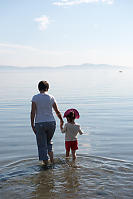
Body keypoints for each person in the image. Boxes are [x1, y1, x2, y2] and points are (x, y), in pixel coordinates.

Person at [30, 80, 64, 166]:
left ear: (38, 88)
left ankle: (46, 166)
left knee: (42, 145)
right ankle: (52, 161)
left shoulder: (35, 98)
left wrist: (32, 124)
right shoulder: (51, 97)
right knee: (48, 142)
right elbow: (57, 111)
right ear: (47, 88)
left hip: (40, 123)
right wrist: (61, 120)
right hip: (51, 123)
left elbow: (33, 112)